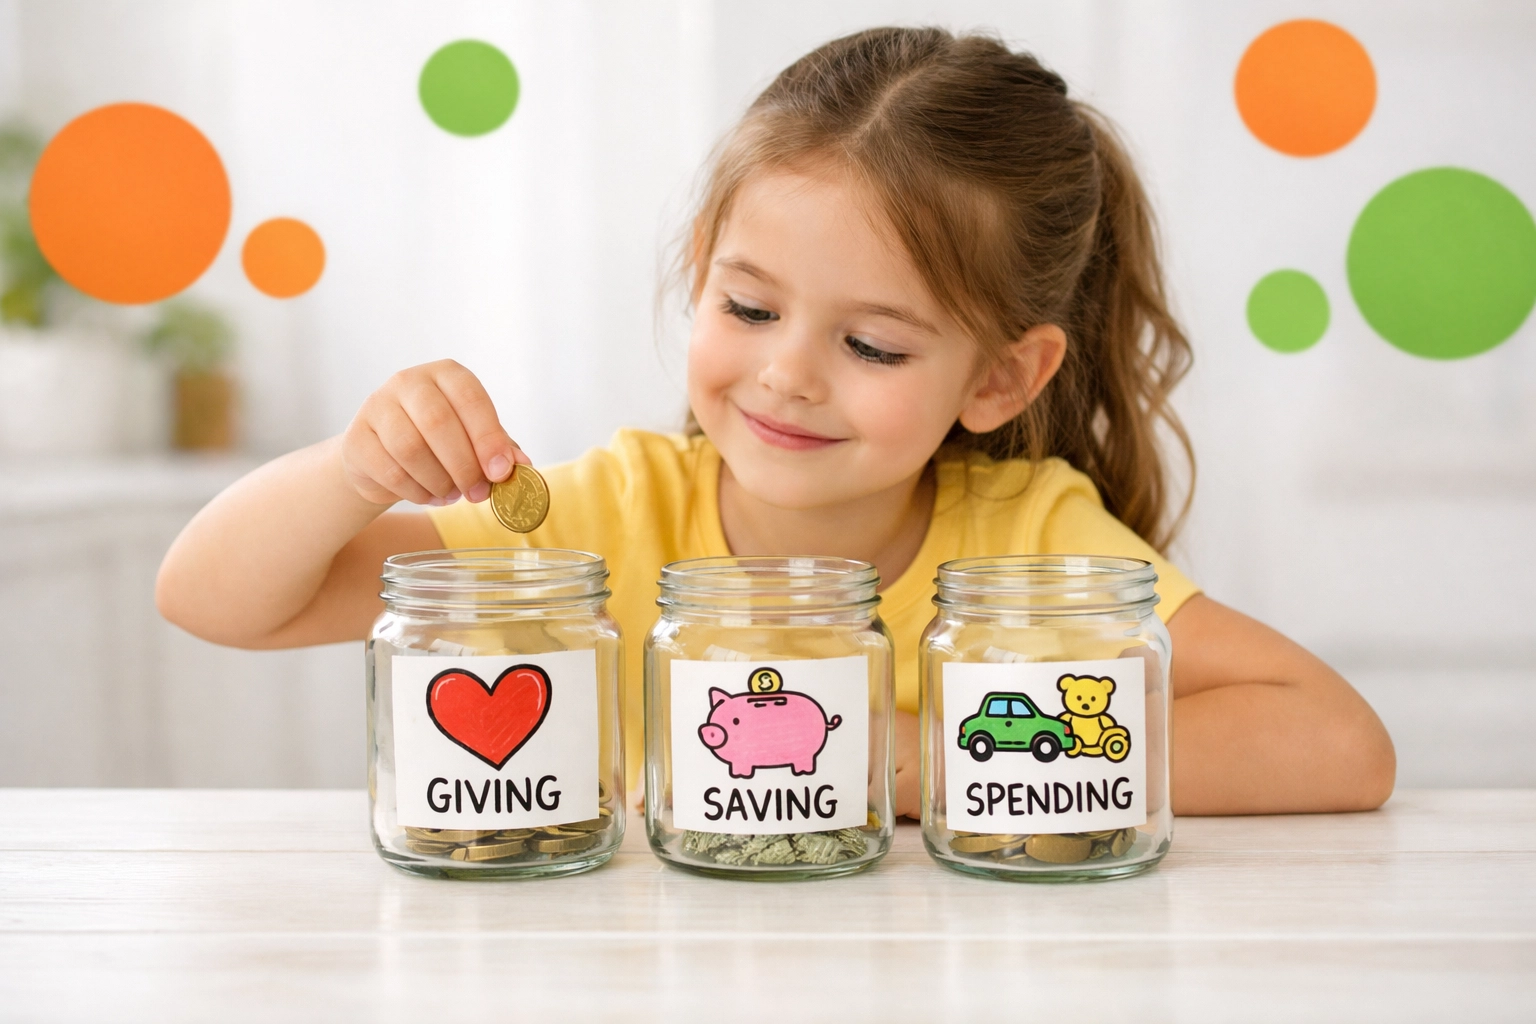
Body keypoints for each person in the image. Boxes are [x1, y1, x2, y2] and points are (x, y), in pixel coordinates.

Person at [156, 26, 1394, 818]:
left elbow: (1339, 743)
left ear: (1001, 379)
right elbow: (213, 600)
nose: (787, 375)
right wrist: (354, 468)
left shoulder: (1030, 544)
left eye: (872, 345)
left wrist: (901, 760)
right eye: (749, 307)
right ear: (703, 267)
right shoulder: (605, 518)